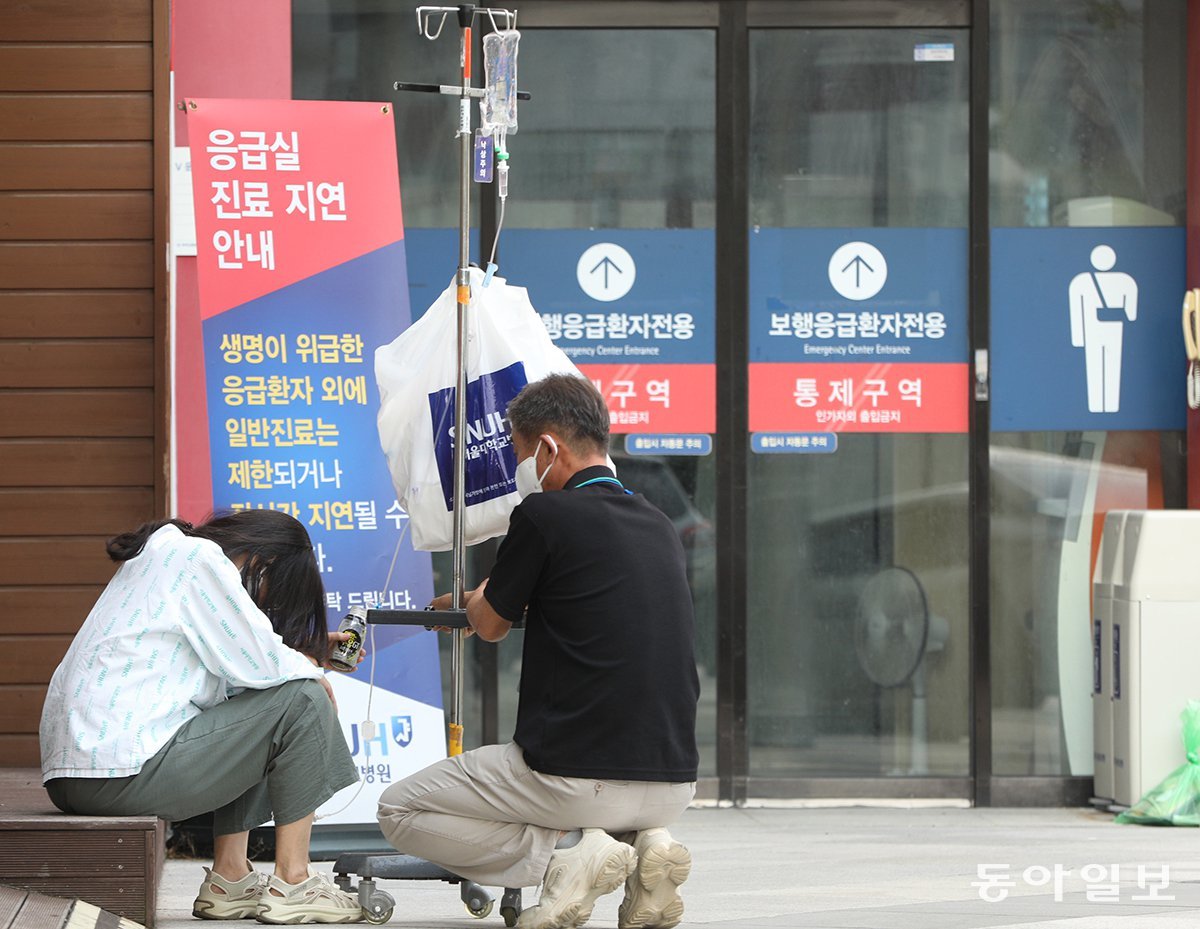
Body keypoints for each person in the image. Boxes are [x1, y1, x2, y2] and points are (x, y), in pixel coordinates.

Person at [377, 374, 700, 929]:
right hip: (674, 782)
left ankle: (567, 855)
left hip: (573, 777)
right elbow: (583, 599)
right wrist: (487, 595)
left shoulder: (543, 515)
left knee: (398, 809)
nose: (521, 467)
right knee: (611, 802)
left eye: (521, 453)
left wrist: (478, 601)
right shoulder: (657, 523)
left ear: (548, 447)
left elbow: (490, 624)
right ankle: (648, 844)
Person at [39, 510, 365, 925]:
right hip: (117, 772)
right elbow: (260, 662)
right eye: (272, 592)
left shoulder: (164, 555)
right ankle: (294, 882)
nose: (261, 602)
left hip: (78, 776)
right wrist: (313, 668)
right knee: (303, 698)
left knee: (266, 699)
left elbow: (244, 671)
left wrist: (307, 656)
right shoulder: (199, 559)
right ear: (262, 564)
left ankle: (229, 879)